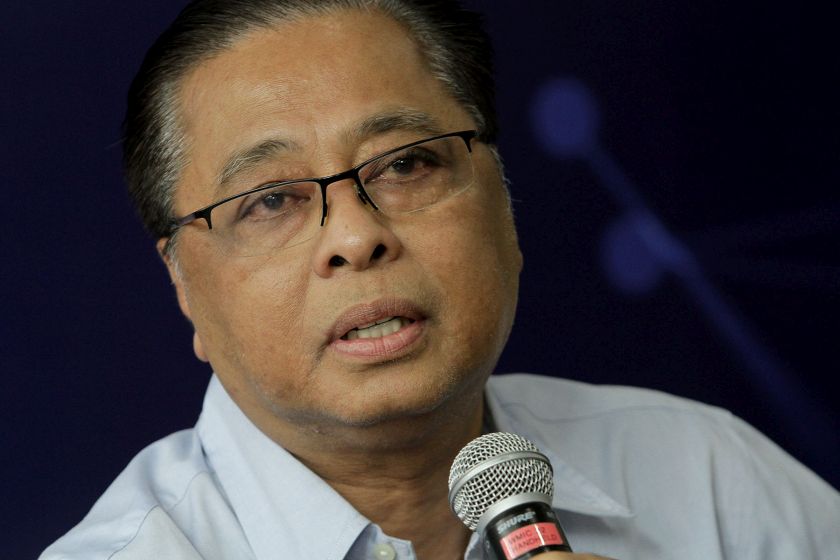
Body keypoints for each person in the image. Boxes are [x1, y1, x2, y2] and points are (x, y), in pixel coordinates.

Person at [41, 1, 839, 559]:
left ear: (504, 204)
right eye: (272, 200)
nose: (356, 236)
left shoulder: (709, 477)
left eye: (407, 164)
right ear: (184, 284)